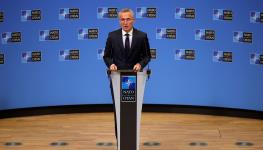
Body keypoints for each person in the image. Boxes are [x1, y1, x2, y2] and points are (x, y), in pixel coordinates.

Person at [103, 8, 151, 139]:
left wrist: (140, 64)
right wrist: (110, 64)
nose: (125, 22)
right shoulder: (112, 36)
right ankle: (121, 142)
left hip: (134, 80)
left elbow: (147, 56)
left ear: (133, 20)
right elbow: (106, 56)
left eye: (128, 19)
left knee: (132, 112)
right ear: (119, 21)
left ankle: (132, 141)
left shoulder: (142, 36)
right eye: (122, 19)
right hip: (116, 79)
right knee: (119, 112)